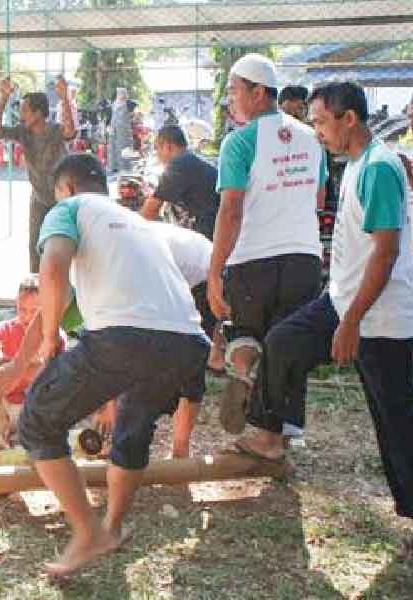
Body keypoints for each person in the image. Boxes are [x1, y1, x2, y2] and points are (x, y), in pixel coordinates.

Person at [0, 154, 207, 574]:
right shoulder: (135, 223)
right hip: (188, 342)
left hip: (126, 336)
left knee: (38, 421)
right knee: (132, 427)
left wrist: (51, 343)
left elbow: (52, 268)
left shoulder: (68, 210)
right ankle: (111, 527)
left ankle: (88, 531)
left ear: (66, 188)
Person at [229, 82, 413, 557]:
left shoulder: (377, 168)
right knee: (285, 341)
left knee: (397, 424)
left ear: (348, 119)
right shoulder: (355, 165)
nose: (316, 131)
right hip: (343, 300)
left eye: (320, 122)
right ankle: (270, 435)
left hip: (381, 319)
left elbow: (387, 252)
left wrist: (350, 322)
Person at [207, 54, 327, 435]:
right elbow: (319, 201)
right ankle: (278, 437)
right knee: (288, 346)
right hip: (304, 258)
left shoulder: (239, 142)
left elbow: (230, 210)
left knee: (245, 334)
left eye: (234, 90)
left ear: (258, 92)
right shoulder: (312, 138)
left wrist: (214, 271)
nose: (230, 99)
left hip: (253, 259)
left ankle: (245, 373)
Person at [96, 221, 213, 459]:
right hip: (174, 273)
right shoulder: (111, 258)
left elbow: (116, 348)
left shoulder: (123, 262)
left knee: (189, 364)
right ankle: (126, 440)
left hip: (205, 274)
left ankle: (180, 450)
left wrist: (109, 405)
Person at [141, 124, 223, 371]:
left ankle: (204, 353)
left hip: (210, 233)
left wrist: (128, 232)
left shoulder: (179, 164)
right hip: (212, 231)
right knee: (202, 293)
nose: (158, 156)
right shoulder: (191, 162)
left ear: (168, 145)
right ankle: (206, 352)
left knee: (201, 292)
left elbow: (151, 209)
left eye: (158, 149)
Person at [0, 75, 76, 273]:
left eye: (25, 111)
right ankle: (36, 291)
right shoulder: (23, 131)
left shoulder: (55, 131)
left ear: (38, 113)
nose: (21, 115)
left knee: (64, 246)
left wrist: (65, 98)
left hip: (62, 200)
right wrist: (3, 98)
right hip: (38, 199)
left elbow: (70, 131)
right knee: (35, 248)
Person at [0, 274, 66, 436]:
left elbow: (53, 380)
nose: (27, 317)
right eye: (22, 309)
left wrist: (16, 370)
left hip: (36, 407)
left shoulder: (54, 336)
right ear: (16, 303)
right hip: (2, 406)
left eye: (34, 312)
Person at [107, 87, 135, 174]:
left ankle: (125, 167)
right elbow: (112, 116)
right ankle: (113, 166)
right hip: (114, 128)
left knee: (124, 147)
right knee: (113, 147)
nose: (120, 94)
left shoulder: (128, 103)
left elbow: (132, 114)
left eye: (121, 93)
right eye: (118, 93)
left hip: (124, 130)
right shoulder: (114, 103)